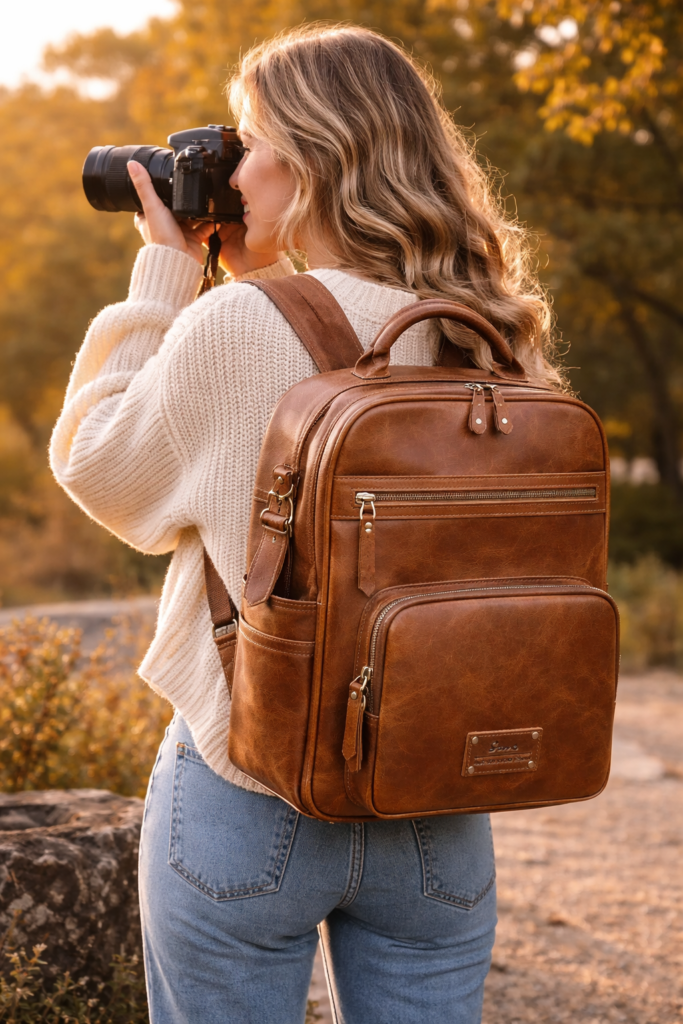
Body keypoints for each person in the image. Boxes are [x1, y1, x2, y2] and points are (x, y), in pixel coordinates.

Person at [51, 24, 562, 1024]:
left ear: (307, 161)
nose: (230, 174)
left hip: (251, 783)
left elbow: (101, 468)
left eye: (244, 144)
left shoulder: (238, 325)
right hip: (437, 798)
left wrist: (164, 274)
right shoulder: (486, 333)